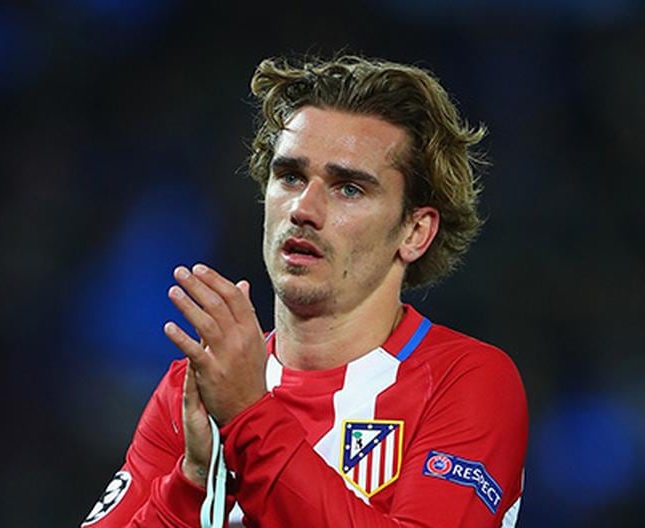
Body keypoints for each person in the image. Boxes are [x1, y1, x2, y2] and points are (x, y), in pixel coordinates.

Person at [81, 55, 528, 528]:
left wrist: (249, 417)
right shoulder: (195, 387)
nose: (304, 208)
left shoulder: (466, 381)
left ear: (414, 232)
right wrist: (193, 480)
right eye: (290, 176)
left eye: (349, 188)